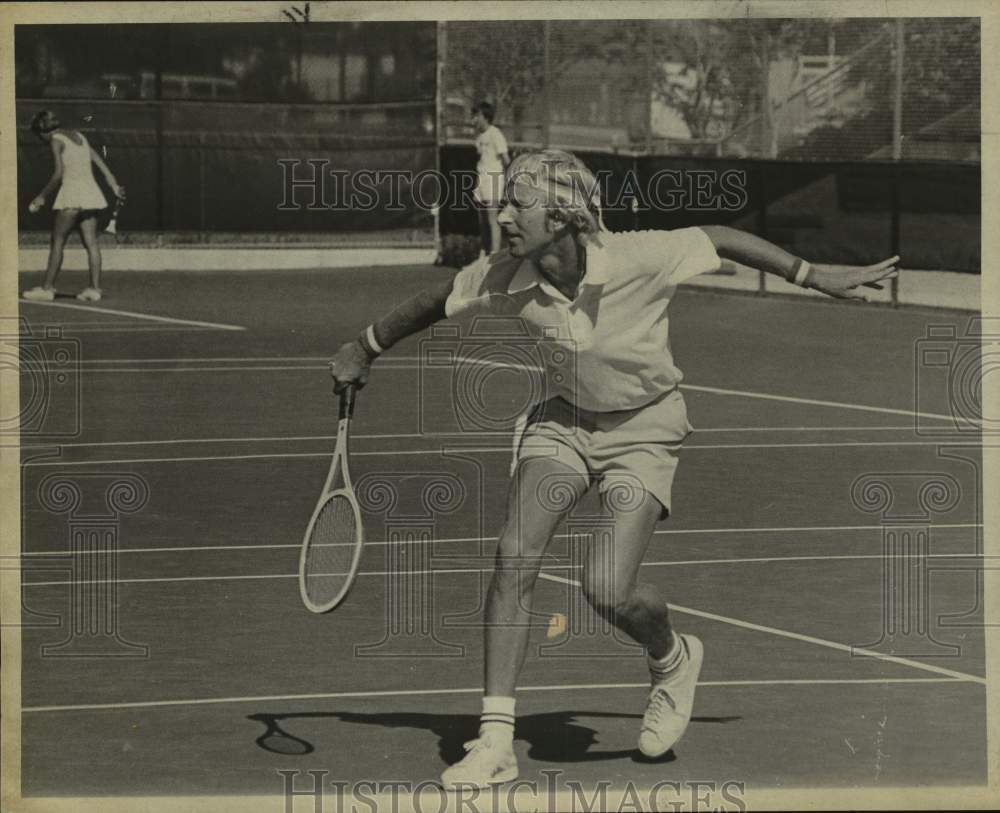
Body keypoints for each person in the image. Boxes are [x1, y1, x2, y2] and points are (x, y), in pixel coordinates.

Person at [328, 149, 898, 788]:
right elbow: (434, 302)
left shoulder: (639, 256)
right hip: (562, 422)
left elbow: (719, 237)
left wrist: (814, 275)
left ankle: (672, 658)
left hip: (645, 430)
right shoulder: (500, 275)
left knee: (606, 590)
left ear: (565, 215)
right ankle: (495, 742)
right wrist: (364, 347)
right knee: (514, 557)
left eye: (520, 203)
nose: (504, 213)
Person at [22, 110, 125, 303]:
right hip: (90, 195)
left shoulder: (55, 140)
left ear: (43, 131)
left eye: (39, 136)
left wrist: (41, 197)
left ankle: (47, 288)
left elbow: (58, 174)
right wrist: (114, 186)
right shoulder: (79, 135)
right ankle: (94, 289)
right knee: (91, 243)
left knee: (58, 241)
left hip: (72, 194)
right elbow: (99, 161)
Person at [471, 101, 510, 258]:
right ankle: (485, 253)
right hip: (482, 179)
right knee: (482, 221)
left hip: (494, 179)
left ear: (485, 117)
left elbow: (506, 159)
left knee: (492, 218)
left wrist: (508, 180)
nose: (473, 119)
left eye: (476, 116)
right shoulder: (479, 137)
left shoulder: (496, 134)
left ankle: (494, 256)